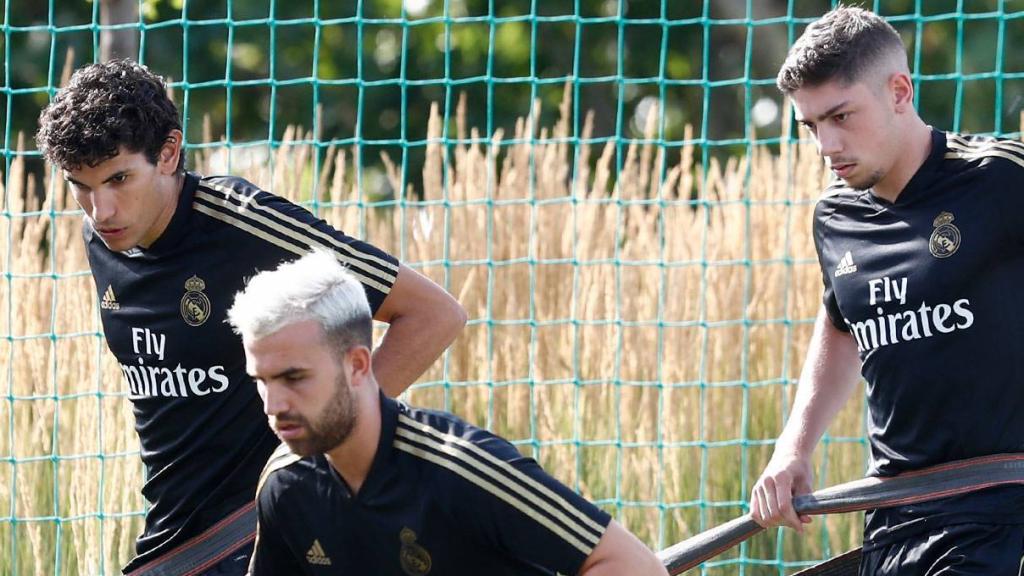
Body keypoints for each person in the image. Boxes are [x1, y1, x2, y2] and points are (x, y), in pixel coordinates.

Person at [35, 59, 467, 575]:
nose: (99, 209)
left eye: (119, 179)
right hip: (172, 545)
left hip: (267, 535)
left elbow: (433, 314)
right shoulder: (101, 237)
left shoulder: (247, 223)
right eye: (79, 186)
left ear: (169, 153)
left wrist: (325, 450)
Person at [748, 6, 1024, 575]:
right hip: (892, 521)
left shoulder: (1002, 179)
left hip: (1002, 514)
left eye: (841, 116)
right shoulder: (834, 217)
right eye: (811, 126)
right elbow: (844, 322)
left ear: (899, 91)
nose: (826, 144)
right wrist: (793, 446)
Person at [226, 250, 668, 575]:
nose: (273, 404)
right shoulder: (286, 487)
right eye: (261, 380)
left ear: (358, 365)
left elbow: (634, 566)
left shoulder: (464, 470)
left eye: (294, 377)